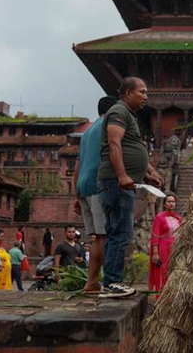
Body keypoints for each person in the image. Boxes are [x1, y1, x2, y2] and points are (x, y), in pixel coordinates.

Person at [97, 77, 163, 298]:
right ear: (127, 93)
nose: (145, 96)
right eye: (142, 92)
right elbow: (114, 143)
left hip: (122, 183)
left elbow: (128, 147)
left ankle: (110, 281)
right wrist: (122, 175)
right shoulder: (118, 112)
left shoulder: (127, 114)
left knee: (117, 230)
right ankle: (112, 282)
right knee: (120, 231)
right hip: (116, 183)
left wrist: (148, 172)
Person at [74, 94, 117, 294]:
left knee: (94, 237)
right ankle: (95, 282)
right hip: (99, 184)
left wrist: (76, 195)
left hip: (83, 186)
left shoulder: (86, 132)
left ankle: (92, 282)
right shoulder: (108, 127)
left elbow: (77, 165)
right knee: (102, 237)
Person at [149, 192, 182, 294]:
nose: (171, 204)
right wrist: (155, 253)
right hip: (164, 248)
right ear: (164, 204)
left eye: (173, 202)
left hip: (176, 248)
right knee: (163, 271)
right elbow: (155, 236)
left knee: (175, 271)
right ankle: (161, 297)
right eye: (169, 202)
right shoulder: (160, 218)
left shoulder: (179, 218)